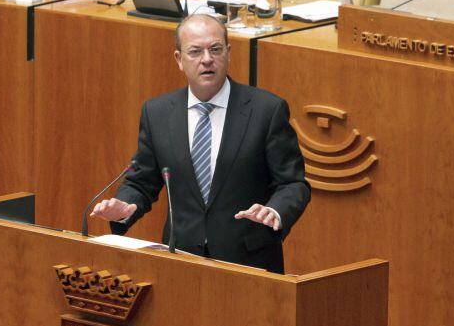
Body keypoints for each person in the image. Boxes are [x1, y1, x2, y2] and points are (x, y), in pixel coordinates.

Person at [89, 14, 310, 274]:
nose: (207, 59)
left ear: (228, 53)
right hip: (180, 260)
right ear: (178, 60)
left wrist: (275, 210)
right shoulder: (158, 113)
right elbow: (142, 181)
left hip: (248, 263)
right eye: (195, 52)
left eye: (215, 49)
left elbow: (293, 183)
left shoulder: (266, 111)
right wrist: (125, 206)